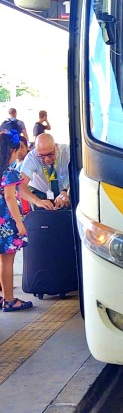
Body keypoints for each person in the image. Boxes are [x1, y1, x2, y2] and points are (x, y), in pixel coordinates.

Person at [0, 130, 33, 311]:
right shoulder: (9, 173)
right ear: (10, 151)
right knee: (7, 261)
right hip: (6, 221)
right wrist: (20, 222)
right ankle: (10, 300)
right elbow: (10, 198)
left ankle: (3, 297)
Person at [19, 133, 71, 211]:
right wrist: (37, 201)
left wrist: (67, 191)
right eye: (42, 156)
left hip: (66, 191)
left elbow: (81, 175)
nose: (47, 159)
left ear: (56, 146)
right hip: (40, 193)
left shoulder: (68, 152)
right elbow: (20, 185)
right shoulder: (32, 157)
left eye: (50, 154)